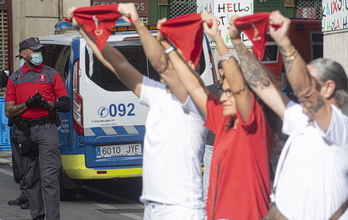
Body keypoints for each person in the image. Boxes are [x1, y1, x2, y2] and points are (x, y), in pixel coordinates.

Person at [67, 4, 207, 220]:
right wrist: (84, 30)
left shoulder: (195, 102)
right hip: (154, 207)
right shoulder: (160, 94)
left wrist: (138, 23)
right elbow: (118, 64)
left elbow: (163, 66)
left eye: (172, 55)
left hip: (182, 208)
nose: (166, 62)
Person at [229, 11, 348, 219]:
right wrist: (237, 42)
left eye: (308, 79)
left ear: (328, 88)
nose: (297, 83)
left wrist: (285, 43)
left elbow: (306, 92)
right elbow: (262, 85)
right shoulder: (301, 119)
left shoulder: (339, 126)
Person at [157, 12, 274, 219]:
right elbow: (194, 87)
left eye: (231, 92)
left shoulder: (253, 123)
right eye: (224, 90)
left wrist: (218, 38)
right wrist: (168, 47)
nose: (225, 96)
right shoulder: (223, 119)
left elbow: (239, 88)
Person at [5, 37, 70, 220]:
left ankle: (53, 218)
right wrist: (28, 103)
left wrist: (46, 103)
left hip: (46, 128)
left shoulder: (51, 74)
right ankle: (38, 216)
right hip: (24, 132)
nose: (39, 55)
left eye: (39, 51)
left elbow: (65, 104)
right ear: (24, 55)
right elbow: (9, 111)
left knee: (50, 178)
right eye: (35, 52)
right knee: (31, 177)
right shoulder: (15, 78)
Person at [7, 55, 29, 210]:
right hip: (17, 125)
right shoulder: (16, 77)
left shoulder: (38, 78)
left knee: (29, 164)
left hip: (29, 127)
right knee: (20, 163)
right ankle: (25, 194)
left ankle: (30, 197)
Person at [203, 61, 223, 202]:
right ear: (221, 71)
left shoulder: (239, 90)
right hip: (212, 146)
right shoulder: (210, 90)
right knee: (208, 190)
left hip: (231, 147)